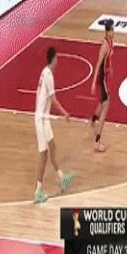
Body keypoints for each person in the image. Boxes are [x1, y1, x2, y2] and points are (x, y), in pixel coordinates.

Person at [34, 47, 74, 203]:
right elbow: (54, 100)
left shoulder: (44, 72)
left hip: (44, 118)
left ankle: (61, 177)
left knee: (53, 147)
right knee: (44, 156)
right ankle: (37, 191)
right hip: (41, 119)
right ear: (53, 58)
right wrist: (65, 113)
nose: (58, 60)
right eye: (57, 57)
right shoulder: (49, 76)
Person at [90, 19, 115, 152]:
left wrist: (110, 66)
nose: (113, 32)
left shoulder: (111, 42)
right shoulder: (104, 45)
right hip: (101, 77)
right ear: (107, 31)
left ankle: (93, 119)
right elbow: (98, 63)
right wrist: (94, 82)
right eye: (112, 30)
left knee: (103, 101)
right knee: (106, 105)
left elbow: (108, 58)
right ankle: (97, 141)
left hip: (105, 76)